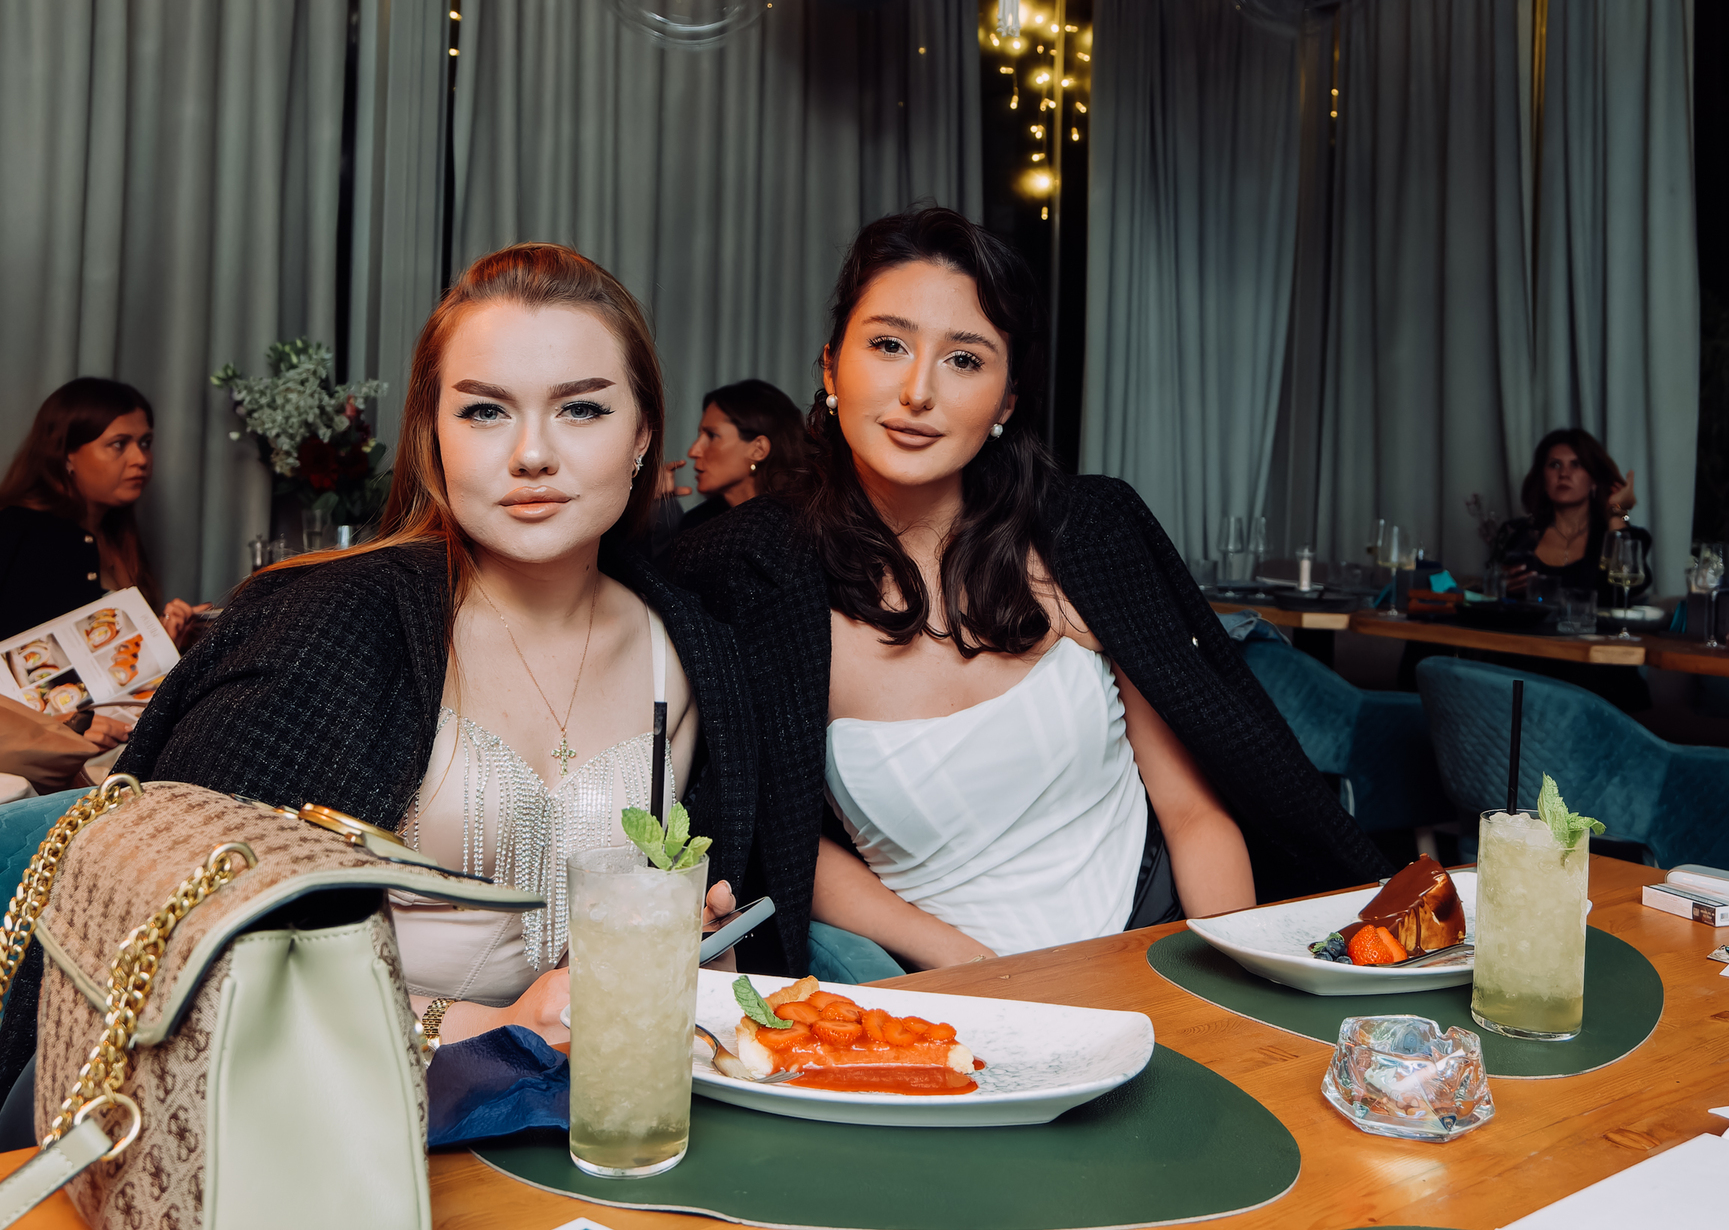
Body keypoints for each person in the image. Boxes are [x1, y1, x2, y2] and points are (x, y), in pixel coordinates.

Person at [671, 208, 1387, 976]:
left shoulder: (1084, 537)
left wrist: (1228, 988)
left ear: (1007, 400)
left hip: (1161, 945)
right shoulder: (754, 575)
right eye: (888, 345)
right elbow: (784, 842)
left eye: (964, 360)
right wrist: (976, 968)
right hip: (954, 987)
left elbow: (1194, 815)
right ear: (829, 368)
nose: (917, 391)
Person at [104, 243, 765, 1049]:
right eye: (485, 411)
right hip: (332, 1091)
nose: (532, 454)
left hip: (572, 1103)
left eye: (582, 409)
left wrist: (679, 951)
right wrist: (492, 1026)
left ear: (642, 436)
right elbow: (163, 946)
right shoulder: (325, 625)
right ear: (433, 437)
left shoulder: (689, 655)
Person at [0, 378, 207, 651]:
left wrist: (170, 640)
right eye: (119, 444)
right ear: (66, 455)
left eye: (145, 443)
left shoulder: (117, 535)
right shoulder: (17, 531)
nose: (141, 459)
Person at [1494, 429, 1649, 598]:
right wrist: (1502, 586)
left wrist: (1616, 512)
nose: (1564, 474)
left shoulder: (1620, 536)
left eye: (1576, 464)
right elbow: (1490, 595)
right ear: (1543, 479)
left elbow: (1627, 589)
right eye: (1555, 465)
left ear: (1594, 481)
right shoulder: (1515, 534)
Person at [669, 380, 805, 534]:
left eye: (712, 436)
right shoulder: (694, 526)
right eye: (700, 436)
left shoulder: (803, 526)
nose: (693, 451)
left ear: (758, 450)